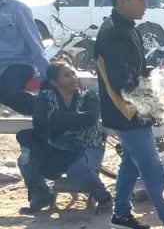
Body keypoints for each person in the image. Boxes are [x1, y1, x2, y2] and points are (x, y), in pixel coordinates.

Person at [94, 0, 164, 229]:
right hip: (128, 112)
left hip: (131, 111)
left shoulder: (126, 27)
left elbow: (135, 72)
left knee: (130, 163)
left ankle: (121, 214)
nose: (146, 4)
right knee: (152, 168)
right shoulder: (114, 34)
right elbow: (123, 83)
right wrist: (150, 105)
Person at [17, 61, 112, 213]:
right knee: (25, 161)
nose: (73, 78)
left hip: (88, 144)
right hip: (57, 146)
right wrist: (70, 120)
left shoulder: (88, 95)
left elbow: (90, 119)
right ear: (54, 82)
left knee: (77, 170)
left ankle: (104, 198)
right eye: (67, 76)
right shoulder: (46, 97)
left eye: (73, 73)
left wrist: (55, 117)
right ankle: (41, 196)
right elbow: (39, 122)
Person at [0, 0, 48, 116]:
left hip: (18, 63)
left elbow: (34, 42)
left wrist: (47, 75)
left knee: (8, 92)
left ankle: (50, 112)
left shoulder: (17, 8)